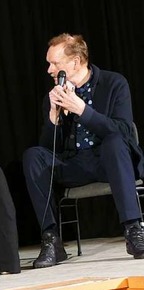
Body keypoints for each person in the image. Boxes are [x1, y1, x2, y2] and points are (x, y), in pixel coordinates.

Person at [23, 33, 144, 268]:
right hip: (74, 164)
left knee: (115, 141)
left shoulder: (114, 83)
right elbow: (49, 147)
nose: (49, 69)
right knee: (33, 156)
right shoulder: (54, 95)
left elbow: (123, 130)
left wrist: (82, 110)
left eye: (54, 63)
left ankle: (133, 230)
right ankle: (51, 240)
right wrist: (53, 119)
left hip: (109, 162)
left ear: (76, 62)